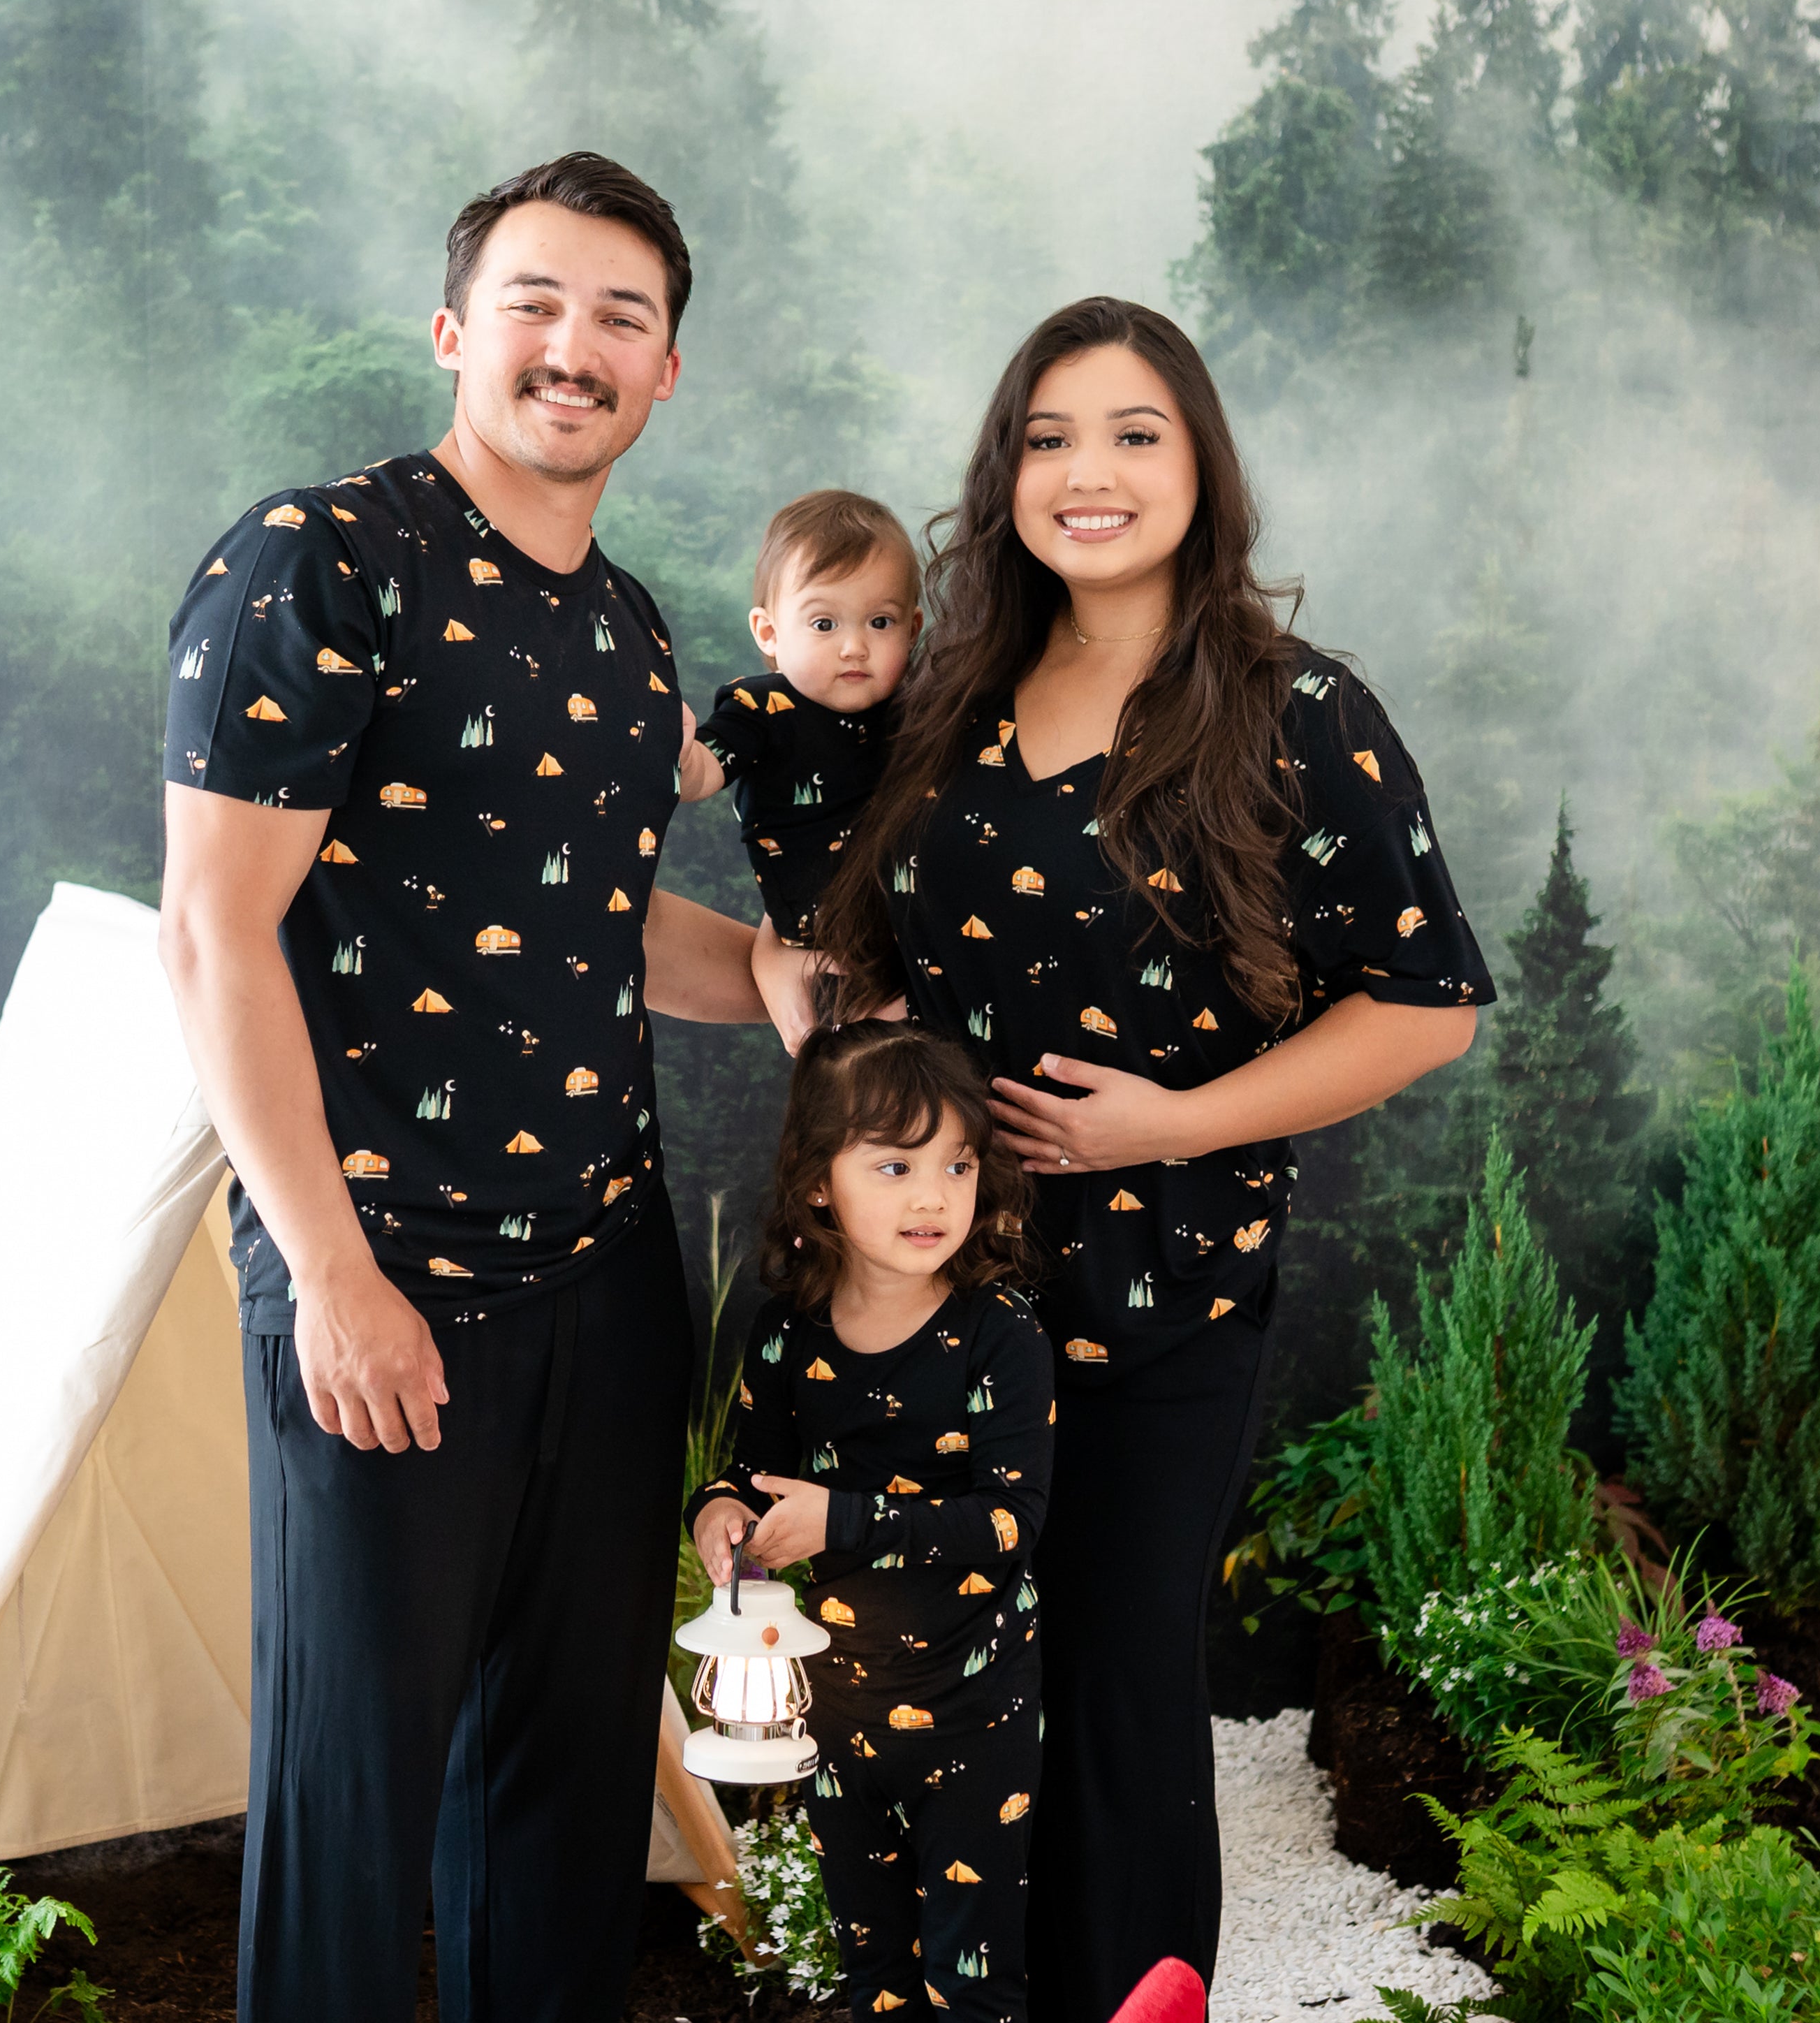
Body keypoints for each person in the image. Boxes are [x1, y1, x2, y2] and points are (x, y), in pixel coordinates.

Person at [808, 297, 1495, 2020]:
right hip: (928, 1311)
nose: (1084, 472)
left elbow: (1426, 1006)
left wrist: (1173, 1120)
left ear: (1199, 465)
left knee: (1108, 1695)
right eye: (1045, 437)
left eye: (1132, 433)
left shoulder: (1292, 710)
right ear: (1002, 472)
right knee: (932, 1684)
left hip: (1156, 1307)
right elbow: (872, 950)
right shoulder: (945, 700)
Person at [157, 152, 764, 2023]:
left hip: (607, 1277)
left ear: (667, 375)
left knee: (565, 1802)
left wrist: (796, 980)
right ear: (453, 331)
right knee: (356, 1810)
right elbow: (213, 936)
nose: (575, 348)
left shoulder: (631, 630)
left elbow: (591, 915)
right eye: (537, 302)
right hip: (380, 1269)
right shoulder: (317, 559)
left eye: (622, 319)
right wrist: (327, 1270)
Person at [687, 1021, 1051, 2022]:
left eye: (957, 1165)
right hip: (841, 1715)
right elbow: (744, 1479)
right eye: (894, 1165)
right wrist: (719, 1513)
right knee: (873, 1980)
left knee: (972, 1983)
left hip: (978, 1715)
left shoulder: (999, 1333)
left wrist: (843, 1521)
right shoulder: (787, 1333)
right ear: (819, 1183)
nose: (933, 1196)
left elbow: (1012, 1522)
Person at [677, 489, 920, 1042]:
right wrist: (679, 753)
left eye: (880, 623)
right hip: (823, 952)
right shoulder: (763, 708)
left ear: (914, 628)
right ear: (769, 633)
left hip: (922, 940)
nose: (855, 647)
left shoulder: (921, 709)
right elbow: (703, 773)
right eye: (824, 624)